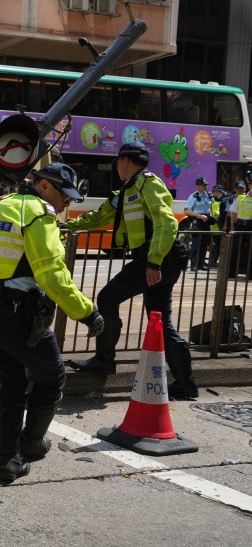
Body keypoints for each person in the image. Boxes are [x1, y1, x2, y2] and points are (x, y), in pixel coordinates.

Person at [0, 162, 103, 484]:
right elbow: (52, 275)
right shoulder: (39, 213)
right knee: (52, 377)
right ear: (44, 186)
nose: (66, 202)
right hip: (17, 313)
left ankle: (10, 459)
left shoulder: (4, 206)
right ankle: (30, 444)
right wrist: (87, 312)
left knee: (12, 382)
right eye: (64, 195)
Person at [64, 143, 198, 400]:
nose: (116, 166)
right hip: (155, 259)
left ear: (125, 161)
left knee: (107, 298)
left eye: (117, 162)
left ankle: (104, 360)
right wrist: (66, 225)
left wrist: (153, 263)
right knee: (160, 320)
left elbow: (167, 223)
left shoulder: (149, 184)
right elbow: (98, 217)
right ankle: (186, 384)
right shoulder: (126, 191)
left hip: (157, 258)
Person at [182, 176, 213, 271]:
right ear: (198, 186)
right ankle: (194, 264)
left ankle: (201, 263)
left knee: (204, 243)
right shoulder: (194, 196)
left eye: (206, 184)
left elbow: (211, 207)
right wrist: (200, 216)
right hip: (197, 221)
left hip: (206, 220)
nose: (206, 186)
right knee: (196, 243)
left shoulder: (209, 195)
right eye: (204, 185)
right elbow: (186, 211)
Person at [231, 180, 252, 276]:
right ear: (249, 186)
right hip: (241, 225)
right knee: (236, 248)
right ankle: (231, 273)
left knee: (250, 250)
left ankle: (250, 274)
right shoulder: (240, 197)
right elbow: (234, 213)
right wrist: (232, 226)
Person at [208, 184, 226, 267]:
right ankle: (212, 261)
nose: (218, 194)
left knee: (216, 245)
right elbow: (216, 214)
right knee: (215, 245)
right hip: (214, 227)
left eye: (219, 192)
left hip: (217, 227)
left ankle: (213, 261)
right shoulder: (212, 201)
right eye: (216, 192)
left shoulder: (222, 201)